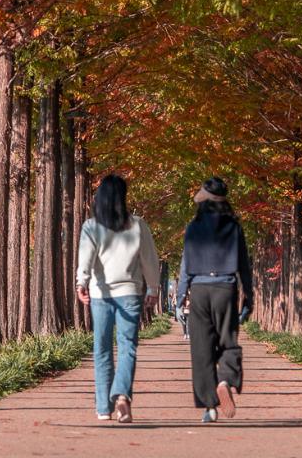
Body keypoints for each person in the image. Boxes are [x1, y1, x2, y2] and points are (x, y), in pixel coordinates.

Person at [76, 173, 162, 425]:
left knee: (101, 349)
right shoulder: (137, 225)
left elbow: (86, 258)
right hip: (130, 293)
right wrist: (154, 288)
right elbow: (149, 259)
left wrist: (81, 282)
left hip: (100, 294)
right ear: (122, 198)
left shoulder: (91, 227)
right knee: (127, 347)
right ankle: (123, 395)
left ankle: (104, 407)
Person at [175, 176, 253, 424]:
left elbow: (185, 266)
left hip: (199, 290)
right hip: (225, 287)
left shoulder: (193, 228)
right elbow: (244, 265)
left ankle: (209, 406)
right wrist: (248, 296)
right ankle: (225, 379)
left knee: (201, 350)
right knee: (228, 341)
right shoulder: (234, 227)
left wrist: (179, 298)